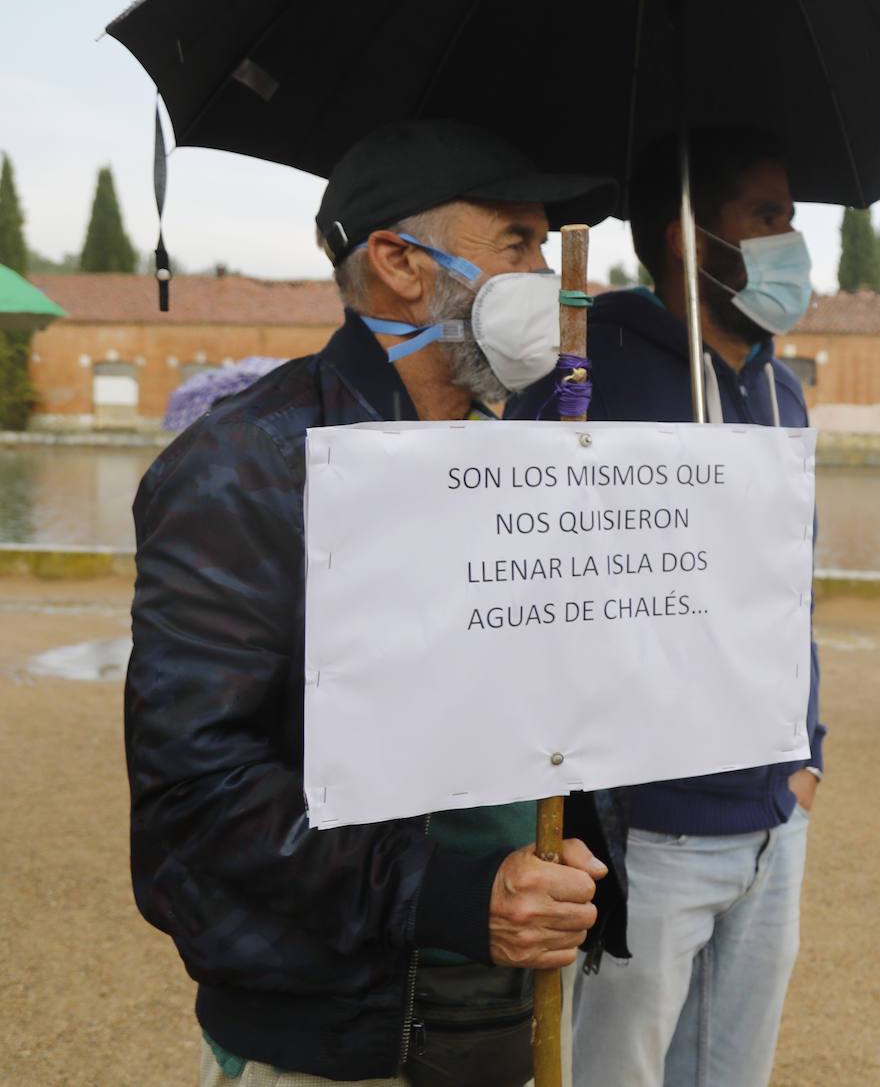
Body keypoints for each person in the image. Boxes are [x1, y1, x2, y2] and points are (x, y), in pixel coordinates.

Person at [125, 120, 627, 1087]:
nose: (561, 282)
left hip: (510, 1012)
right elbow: (195, 790)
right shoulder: (243, 469)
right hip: (336, 1037)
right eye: (519, 242)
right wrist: (449, 898)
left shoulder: (521, 462)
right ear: (401, 262)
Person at [506, 126, 824, 1087]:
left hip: (775, 814)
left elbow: (786, 590)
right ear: (691, 233)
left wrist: (808, 751)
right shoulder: (584, 374)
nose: (791, 243)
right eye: (767, 217)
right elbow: (530, 574)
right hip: (649, 829)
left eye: (790, 219)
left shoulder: (783, 392)